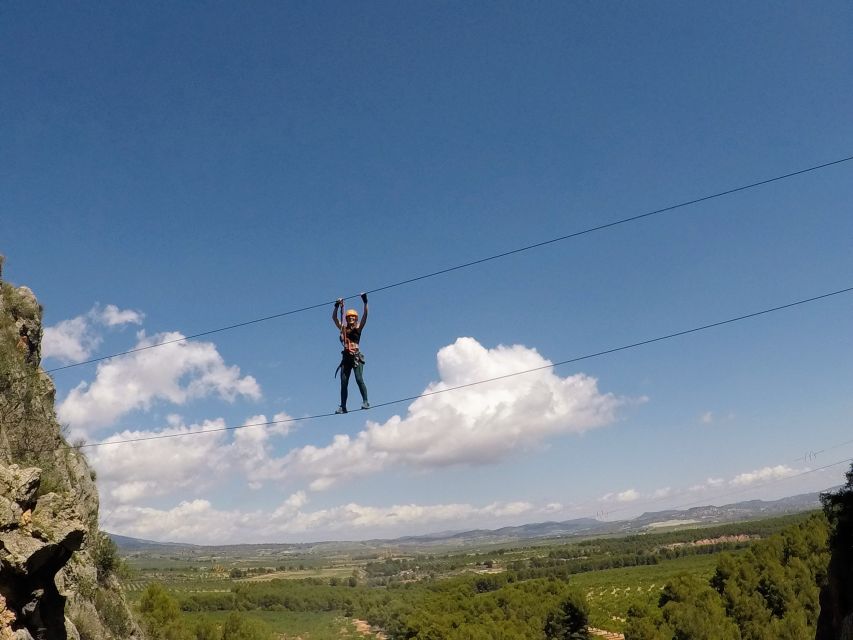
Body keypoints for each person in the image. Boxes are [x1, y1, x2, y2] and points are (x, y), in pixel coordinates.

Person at [333, 293, 369, 413]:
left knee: (359, 379)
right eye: (349, 317)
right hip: (346, 358)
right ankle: (343, 406)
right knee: (344, 383)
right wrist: (337, 306)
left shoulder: (358, 329)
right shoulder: (343, 329)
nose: (351, 319)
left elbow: (365, 316)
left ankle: (366, 401)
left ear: (356, 318)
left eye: (353, 317)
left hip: (356, 357)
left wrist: (365, 302)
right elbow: (334, 319)